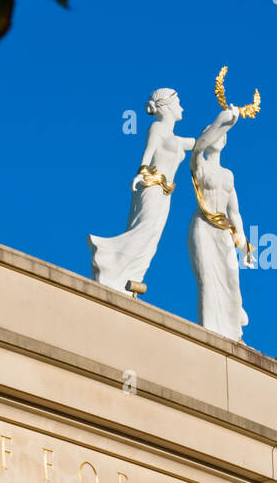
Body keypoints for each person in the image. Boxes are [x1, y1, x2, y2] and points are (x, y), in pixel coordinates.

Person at [87, 88, 194, 294]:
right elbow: (148, 153)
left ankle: (131, 279)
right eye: (178, 102)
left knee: (152, 237)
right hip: (151, 186)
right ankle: (106, 257)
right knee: (144, 230)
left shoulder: (177, 139)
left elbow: (200, 143)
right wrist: (140, 173)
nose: (182, 107)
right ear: (167, 106)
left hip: (165, 194)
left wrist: (225, 122)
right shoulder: (157, 128)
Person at [188, 106, 254, 340]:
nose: (219, 137)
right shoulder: (200, 164)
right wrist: (222, 122)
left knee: (231, 281)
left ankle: (233, 333)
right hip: (203, 228)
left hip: (223, 232)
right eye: (215, 133)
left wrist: (245, 245)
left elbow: (234, 213)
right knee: (207, 280)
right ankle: (210, 333)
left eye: (223, 135)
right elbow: (198, 148)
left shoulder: (228, 175)